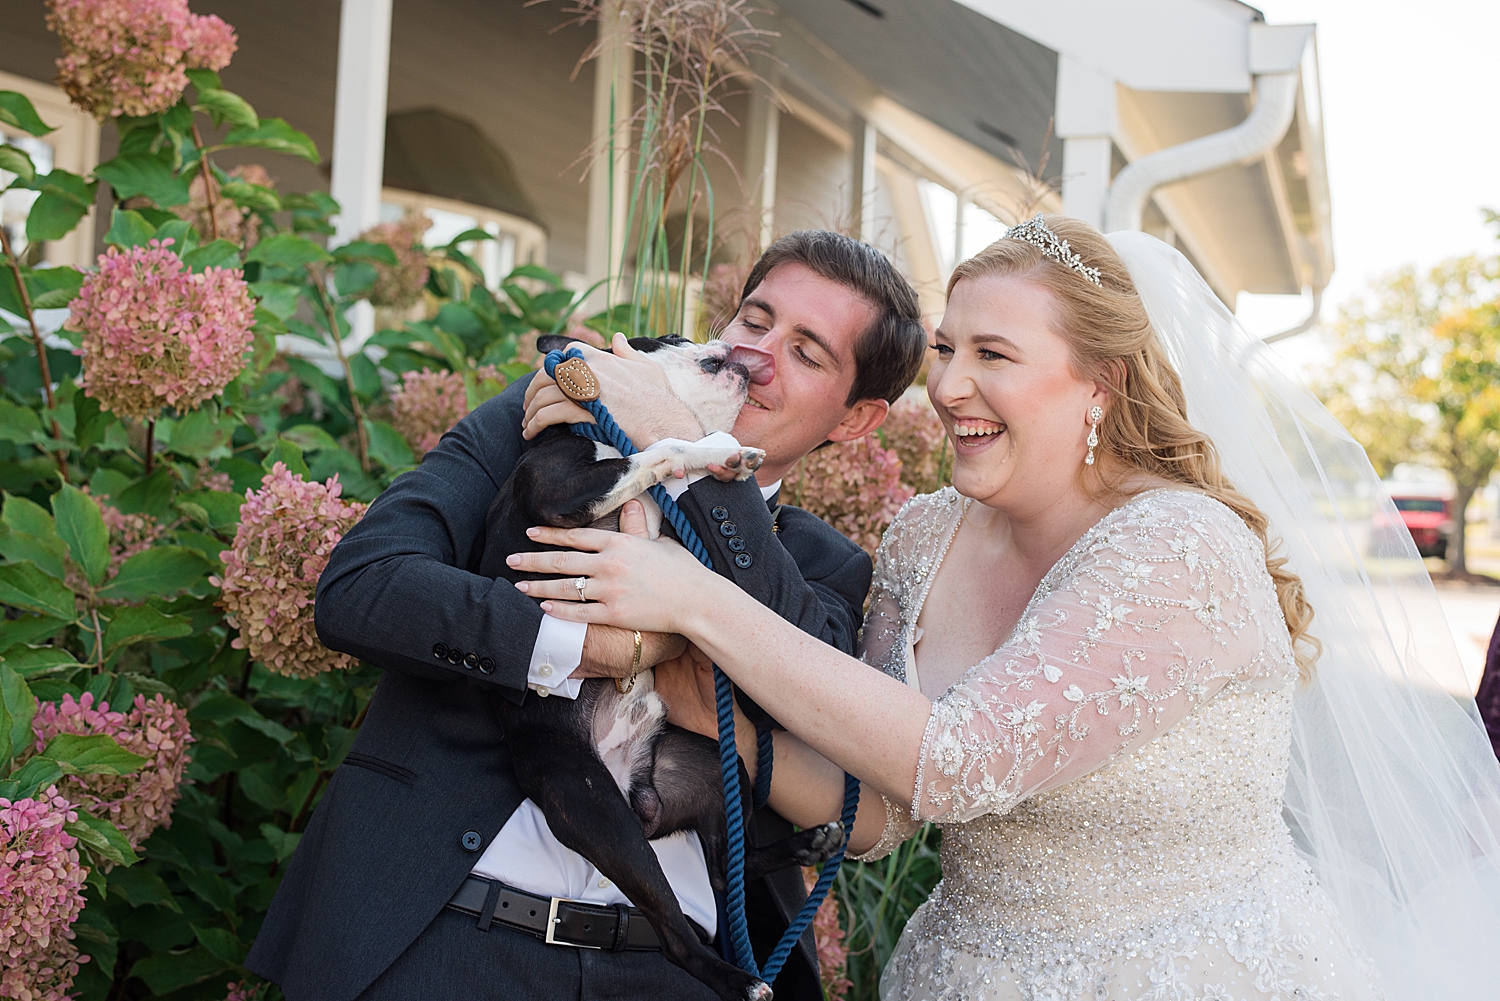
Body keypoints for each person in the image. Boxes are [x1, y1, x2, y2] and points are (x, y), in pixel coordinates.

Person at [511, 215, 1500, 1000]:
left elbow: (954, 759)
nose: (946, 385)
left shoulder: (1178, 547)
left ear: (1101, 384)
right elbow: (879, 811)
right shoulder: (925, 534)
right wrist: (695, 707)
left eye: (994, 353)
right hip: (968, 972)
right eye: (945, 348)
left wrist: (696, 598)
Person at [244, 230, 928, 1001]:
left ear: (857, 419)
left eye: (808, 353)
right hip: (445, 938)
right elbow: (363, 587)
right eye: (755, 320)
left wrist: (686, 443)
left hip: (676, 970)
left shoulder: (822, 566)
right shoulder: (546, 422)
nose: (755, 355)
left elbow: (812, 699)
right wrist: (584, 644)